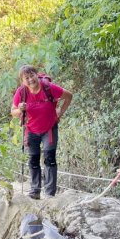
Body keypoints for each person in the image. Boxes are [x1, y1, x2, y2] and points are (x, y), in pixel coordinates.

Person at [11, 65, 73, 200]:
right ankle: (35, 191)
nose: (30, 79)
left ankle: (50, 193)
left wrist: (60, 112)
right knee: (33, 160)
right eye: (26, 78)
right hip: (31, 130)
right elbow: (13, 112)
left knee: (50, 159)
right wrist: (20, 110)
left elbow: (69, 96)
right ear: (23, 81)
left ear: (36, 75)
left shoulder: (49, 88)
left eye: (32, 75)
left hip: (49, 128)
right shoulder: (21, 92)